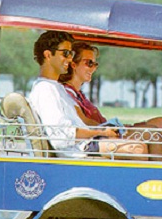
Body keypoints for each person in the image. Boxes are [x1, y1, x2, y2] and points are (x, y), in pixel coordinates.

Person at [27, 31, 147, 159]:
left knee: (147, 141)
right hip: (78, 150)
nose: (69, 59)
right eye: (66, 54)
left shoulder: (57, 88)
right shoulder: (45, 90)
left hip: (86, 143)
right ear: (48, 55)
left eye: (71, 54)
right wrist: (101, 132)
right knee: (138, 148)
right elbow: (61, 136)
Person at [59, 41, 162, 161]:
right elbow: (85, 123)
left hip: (109, 129)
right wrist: (109, 129)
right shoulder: (68, 94)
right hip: (102, 135)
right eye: (89, 63)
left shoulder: (78, 94)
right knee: (152, 133)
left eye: (95, 64)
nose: (93, 68)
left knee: (161, 121)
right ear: (73, 65)